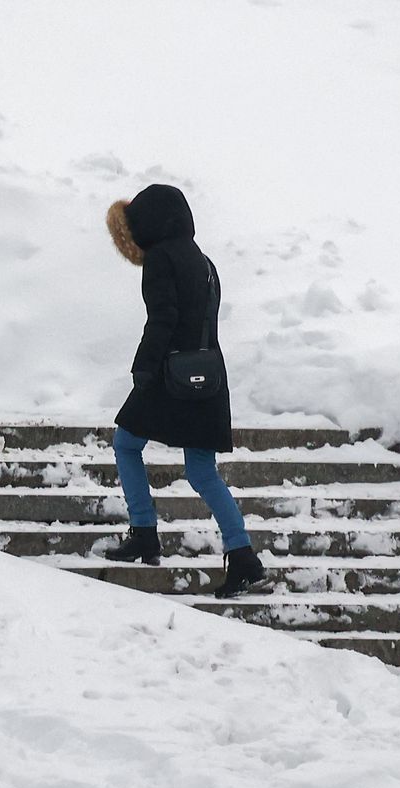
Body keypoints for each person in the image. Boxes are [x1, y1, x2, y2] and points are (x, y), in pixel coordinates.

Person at [101, 184, 267, 599]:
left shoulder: (160, 259)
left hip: (170, 375)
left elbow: (163, 317)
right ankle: (243, 557)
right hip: (208, 377)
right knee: (201, 471)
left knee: (125, 444)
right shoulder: (204, 261)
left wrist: (144, 366)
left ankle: (144, 532)